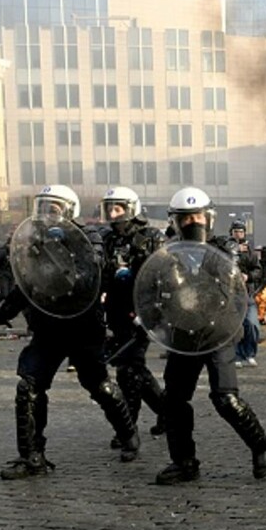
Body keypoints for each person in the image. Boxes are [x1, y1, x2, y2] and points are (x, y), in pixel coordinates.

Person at [0, 185, 140, 480]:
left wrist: (61, 252)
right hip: (48, 326)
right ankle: (32, 456)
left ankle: (128, 434)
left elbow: (93, 274)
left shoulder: (90, 237)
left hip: (82, 326)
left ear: (69, 210)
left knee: (98, 386)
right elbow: (28, 282)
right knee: (29, 386)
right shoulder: (35, 242)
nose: (49, 213)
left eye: (55, 207)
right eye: (44, 207)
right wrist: (5, 309)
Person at [154, 187, 266, 485]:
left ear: (209, 218)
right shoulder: (166, 254)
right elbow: (156, 290)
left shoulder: (223, 249)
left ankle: (261, 445)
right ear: (175, 221)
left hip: (218, 331)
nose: (193, 222)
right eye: (186, 217)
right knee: (174, 401)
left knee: (226, 399)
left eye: (197, 216)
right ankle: (184, 461)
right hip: (184, 334)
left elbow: (231, 282)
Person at [99, 186, 168, 438]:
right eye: (110, 208)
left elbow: (162, 276)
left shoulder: (151, 237)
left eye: (118, 208)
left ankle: (127, 429)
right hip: (115, 311)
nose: (113, 213)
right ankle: (166, 412)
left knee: (128, 371)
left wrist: (151, 312)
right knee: (133, 367)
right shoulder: (106, 239)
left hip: (141, 312)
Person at [230, 220, 263, 367]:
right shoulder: (225, 248)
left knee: (252, 324)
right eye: (236, 231)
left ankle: (249, 353)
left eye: (241, 231)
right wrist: (234, 250)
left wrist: (248, 276)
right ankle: (237, 355)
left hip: (247, 293)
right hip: (231, 293)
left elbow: (258, 270)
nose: (238, 234)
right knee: (235, 326)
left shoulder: (250, 251)